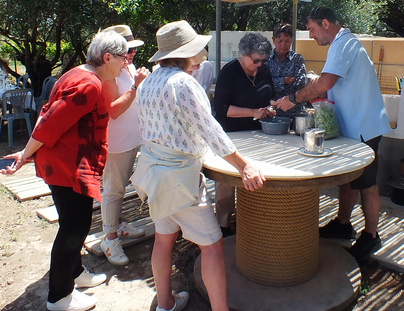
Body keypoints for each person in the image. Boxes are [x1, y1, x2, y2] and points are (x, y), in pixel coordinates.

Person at [130, 20, 265, 311]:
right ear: (186, 52)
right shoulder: (184, 83)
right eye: (197, 50)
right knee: (212, 246)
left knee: (164, 240)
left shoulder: (148, 82)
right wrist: (244, 166)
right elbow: (211, 130)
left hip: (153, 174)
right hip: (179, 179)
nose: (200, 56)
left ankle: (165, 303)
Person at [1, 30, 128, 310]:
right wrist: (24, 154)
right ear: (107, 58)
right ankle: (59, 297)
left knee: (72, 223)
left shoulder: (78, 74)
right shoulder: (89, 84)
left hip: (63, 164)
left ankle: (76, 274)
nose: (126, 63)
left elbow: (47, 112)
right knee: (75, 227)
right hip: (68, 168)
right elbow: (50, 123)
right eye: (123, 57)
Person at [274, 6, 391, 263]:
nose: (312, 36)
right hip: (352, 126)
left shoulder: (344, 44)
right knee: (348, 179)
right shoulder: (341, 44)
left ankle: (371, 235)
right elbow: (330, 86)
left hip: (364, 126)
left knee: (367, 184)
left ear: (325, 23)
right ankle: (342, 224)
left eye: (312, 30)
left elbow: (325, 83)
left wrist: (293, 99)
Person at [212, 32, 275, 236]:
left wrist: (270, 108)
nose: (259, 64)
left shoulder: (264, 70)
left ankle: (254, 219)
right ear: (243, 54)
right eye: (255, 60)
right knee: (227, 182)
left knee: (258, 175)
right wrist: (253, 112)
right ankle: (223, 224)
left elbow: (269, 95)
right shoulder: (229, 72)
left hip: (259, 134)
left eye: (262, 60)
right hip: (231, 135)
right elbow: (221, 108)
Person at [100, 24, 150, 266]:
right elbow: (113, 110)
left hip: (132, 139)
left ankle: (117, 226)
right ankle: (109, 238)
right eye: (126, 50)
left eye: (132, 50)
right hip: (117, 142)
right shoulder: (109, 73)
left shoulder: (127, 68)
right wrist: (137, 85)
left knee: (119, 188)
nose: (131, 55)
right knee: (113, 189)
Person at [267, 22, 307, 117]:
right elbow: (262, 84)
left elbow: (300, 84)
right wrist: (284, 81)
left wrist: (274, 82)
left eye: (287, 41)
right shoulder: (266, 60)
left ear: (292, 40)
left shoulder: (297, 59)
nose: (283, 45)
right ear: (273, 40)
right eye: (280, 41)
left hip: (294, 114)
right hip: (270, 113)